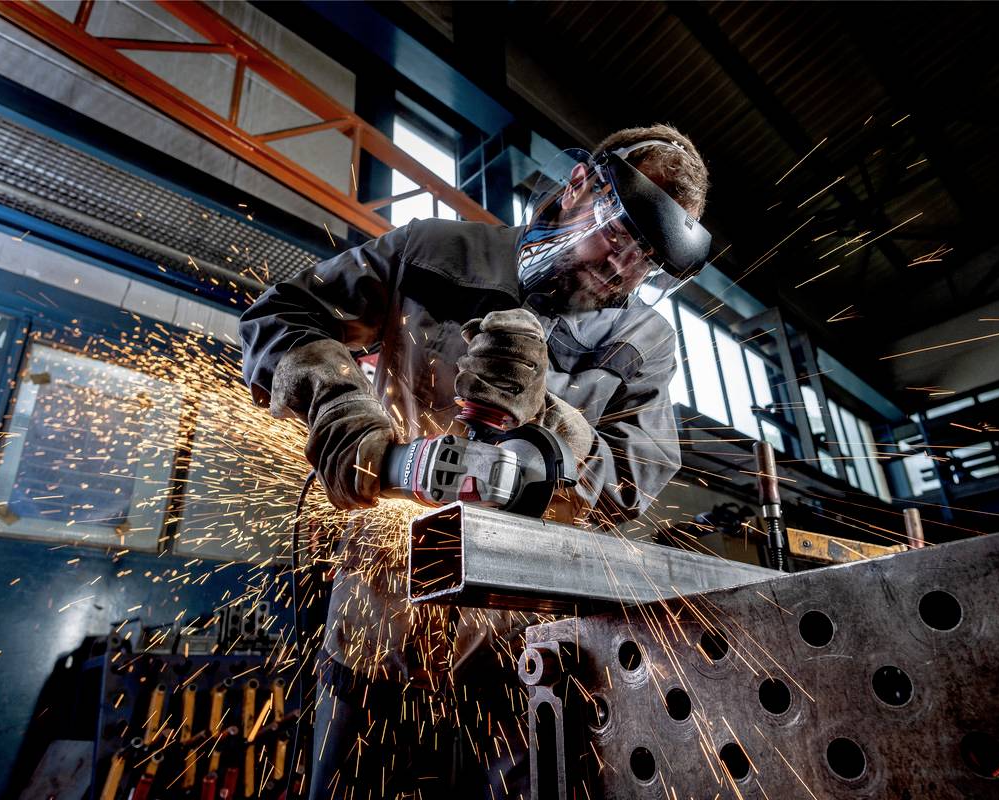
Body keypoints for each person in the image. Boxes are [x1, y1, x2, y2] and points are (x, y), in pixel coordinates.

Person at [239, 123, 711, 798]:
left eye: (646, 259)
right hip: (381, 601)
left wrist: (552, 426)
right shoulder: (434, 250)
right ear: (579, 185)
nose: (621, 267)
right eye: (619, 232)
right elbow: (281, 315)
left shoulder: (644, 338)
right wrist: (339, 404)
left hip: (524, 634)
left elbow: (627, 487)